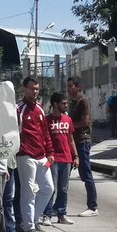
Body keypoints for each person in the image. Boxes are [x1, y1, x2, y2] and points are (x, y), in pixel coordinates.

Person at [16, 77, 55, 232]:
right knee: (29, 191)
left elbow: (45, 133)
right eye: (32, 88)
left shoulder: (39, 109)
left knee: (48, 188)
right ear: (24, 89)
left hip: (42, 157)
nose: (35, 91)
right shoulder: (18, 108)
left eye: (37, 89)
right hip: (26, 156)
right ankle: (28, 226)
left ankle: (32, 219)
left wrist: (50, 152)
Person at [67, 76, 98, 217]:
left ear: (78, 87)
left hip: (82, 140)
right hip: (72, 141)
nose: (68, 89)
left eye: (70, 86)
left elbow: (85, 122)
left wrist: (68, 127)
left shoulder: (83, 101)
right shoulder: (71, 102)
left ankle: (92, 207)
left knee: (86, 173)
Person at [45, 92, 78, 225]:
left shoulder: (68, 120)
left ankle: (61, 214)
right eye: (63, 103)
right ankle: (46, 215)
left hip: (66, 159)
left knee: (63, 188)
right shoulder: (46, 120)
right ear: (55, 104)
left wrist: (76, 156)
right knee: (50, 188)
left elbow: (71, 140)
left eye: (66, 103)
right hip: (52, 159)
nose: (66, 105)